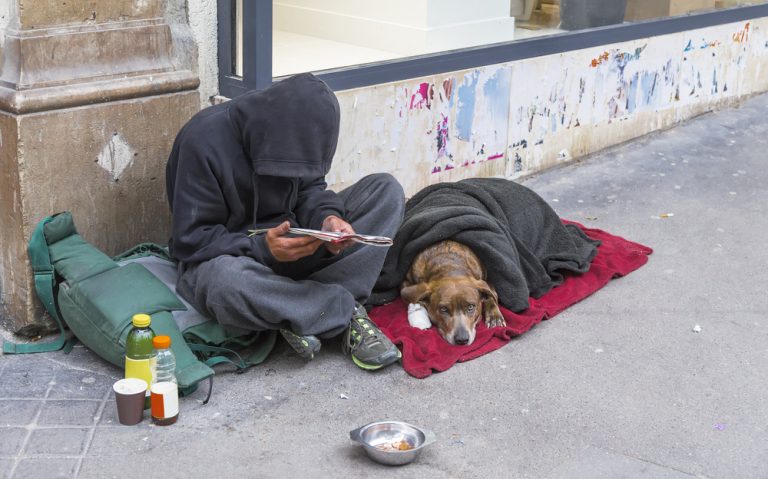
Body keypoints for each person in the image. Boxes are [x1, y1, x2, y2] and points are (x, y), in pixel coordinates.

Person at [165, 73, 405, 370]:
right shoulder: (201, 140)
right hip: (233, 259)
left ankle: (293, 309)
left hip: (294, 246)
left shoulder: (300, 133)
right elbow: (191, 240)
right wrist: (263, 249)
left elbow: (311, 189)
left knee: (385, 190)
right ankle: (340, 311)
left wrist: (328, 220)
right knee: (225, 282)